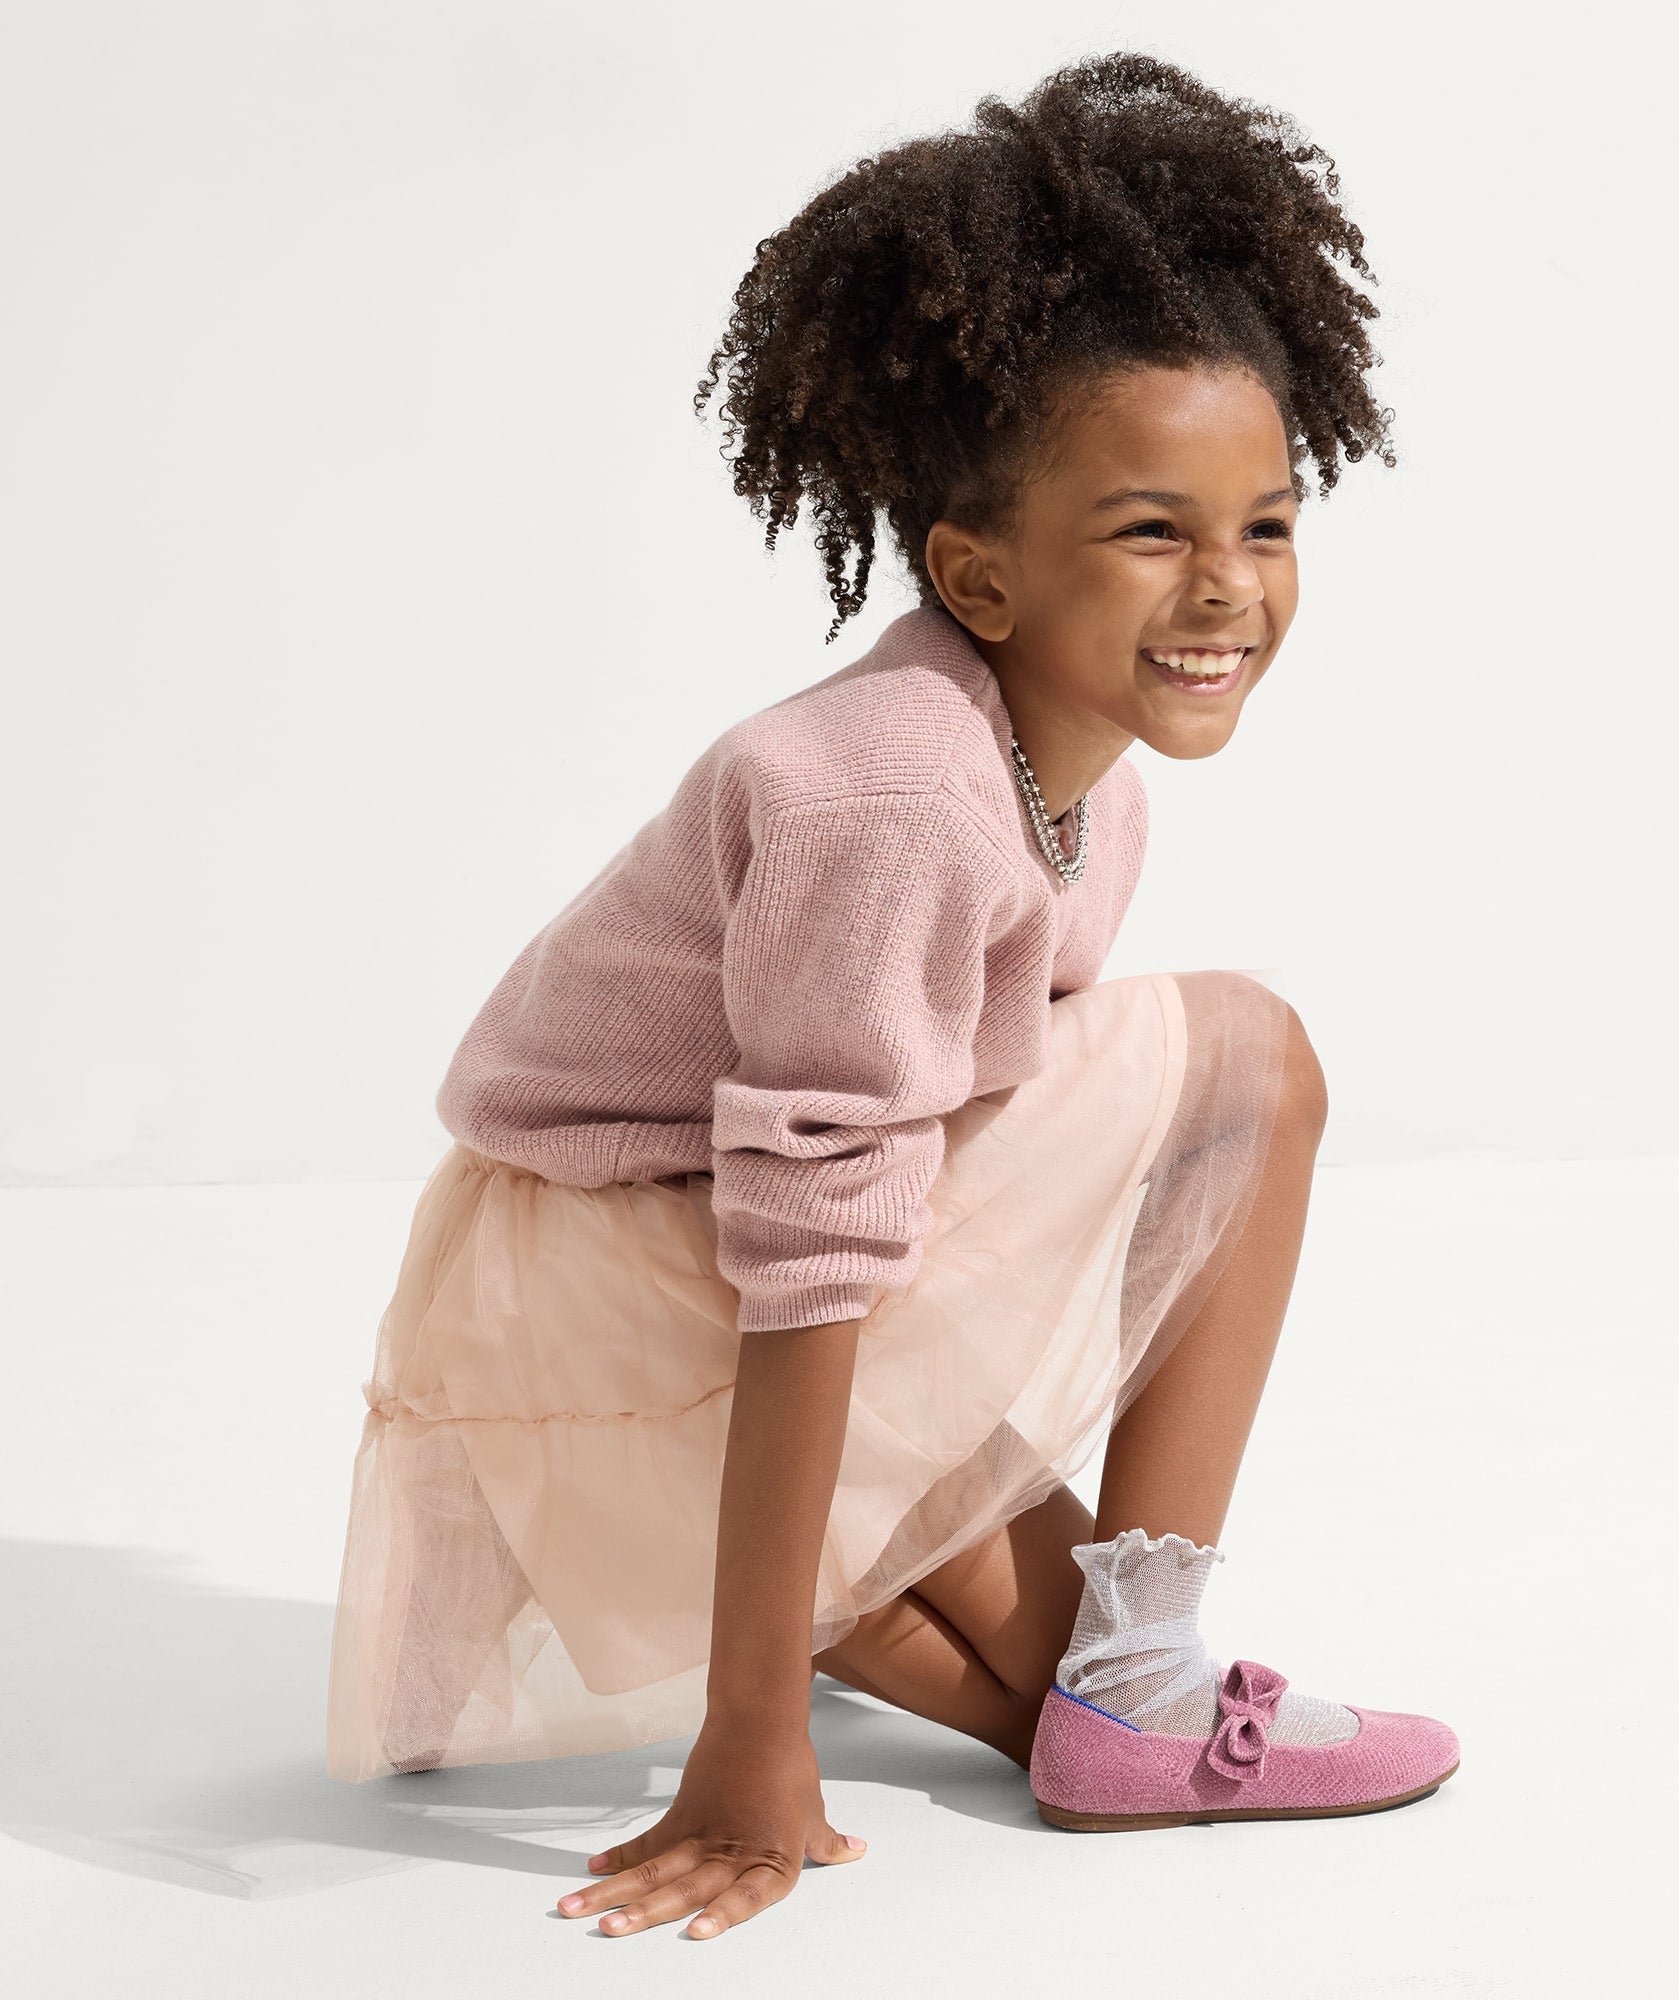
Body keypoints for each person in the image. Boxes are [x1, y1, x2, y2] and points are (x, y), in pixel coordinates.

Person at [325, 49, 1459, 1942]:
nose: (1227, 588)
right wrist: (752, 1743)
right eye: (1151, 530)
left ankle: (1122, 1690)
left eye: (1265, 524)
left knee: (1066, 1701)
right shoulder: (898, 794)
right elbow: (816, 1240)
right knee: (1254, 1058)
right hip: (623, 1258)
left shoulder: (1083, 784)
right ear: (976, 577)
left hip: (741, 1226)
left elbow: (940, 1134)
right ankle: (1075, 1678)